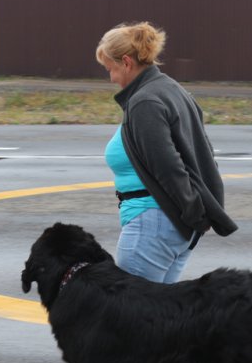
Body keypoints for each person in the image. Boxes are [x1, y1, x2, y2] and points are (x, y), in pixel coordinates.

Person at [95, 21, 237, 284]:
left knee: (135, 319)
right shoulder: (170, 88)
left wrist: (192, 213)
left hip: (153, 224)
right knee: (161, 320)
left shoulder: (144, 102)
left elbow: (168, 167)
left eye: (110, 69)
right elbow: (201, 153)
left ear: (126, 62)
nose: (111, 78)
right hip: (169, 224)